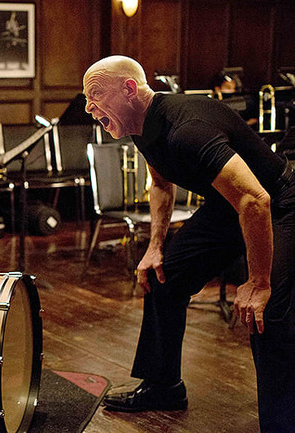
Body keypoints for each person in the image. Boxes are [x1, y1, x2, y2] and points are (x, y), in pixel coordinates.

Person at [83, 55, 295, 432]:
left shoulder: (187, 129)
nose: (88, 106)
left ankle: (282, 423)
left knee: (267, 312)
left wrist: (259, 282)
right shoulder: (141, 126)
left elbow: (256, 200)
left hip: (280, 202)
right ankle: (163, 387)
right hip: (232, 205)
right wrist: (155, 246)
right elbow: (161, 183)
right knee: (163, 276)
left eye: (95, 95)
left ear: (129, 89)